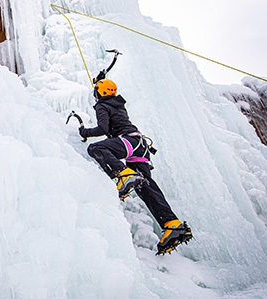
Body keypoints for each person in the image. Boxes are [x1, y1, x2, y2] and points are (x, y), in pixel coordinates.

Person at [78, 78, 192, 255]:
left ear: (100, 92)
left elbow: (102, 128)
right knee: (146, 187)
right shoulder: (117, 104)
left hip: (128, 141)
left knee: (95, 148)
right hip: (141, 144)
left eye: (96, 92)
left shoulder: (102, 105)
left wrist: (84, 132)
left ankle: (123, 174)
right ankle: (172, 224)